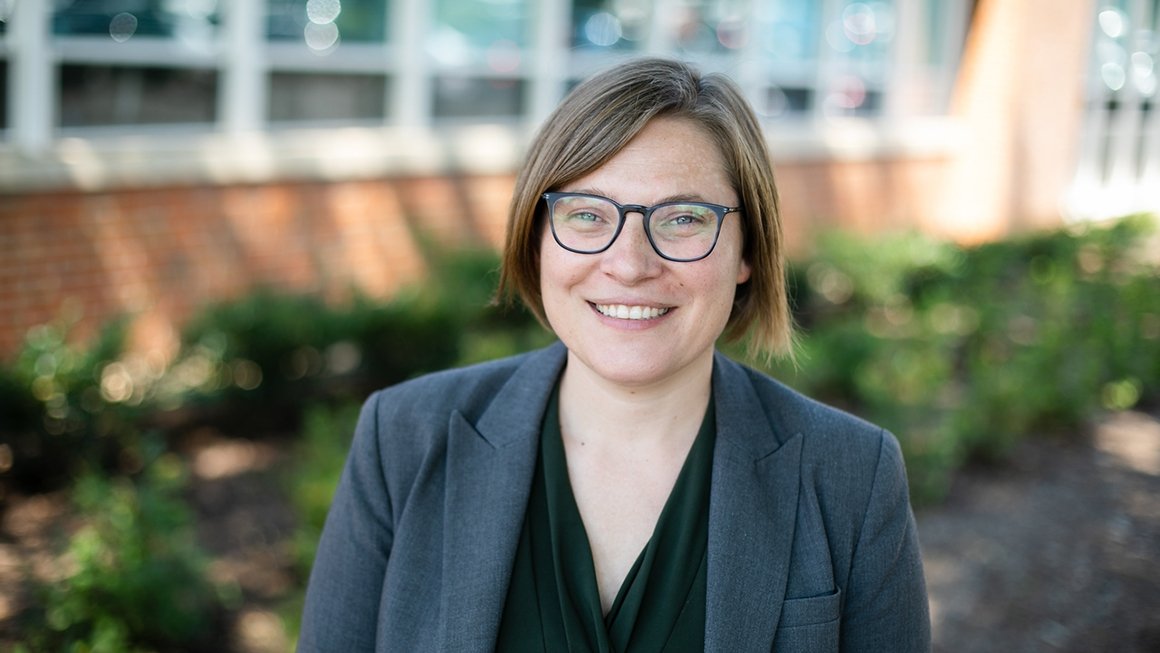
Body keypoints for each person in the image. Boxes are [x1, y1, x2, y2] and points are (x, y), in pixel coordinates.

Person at [298, 57, 930, 652]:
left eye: (683, 218)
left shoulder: (852, 475)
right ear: (538, 237)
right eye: (587, 214)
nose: (630, 265)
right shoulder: (403, 438)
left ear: (747, 252)